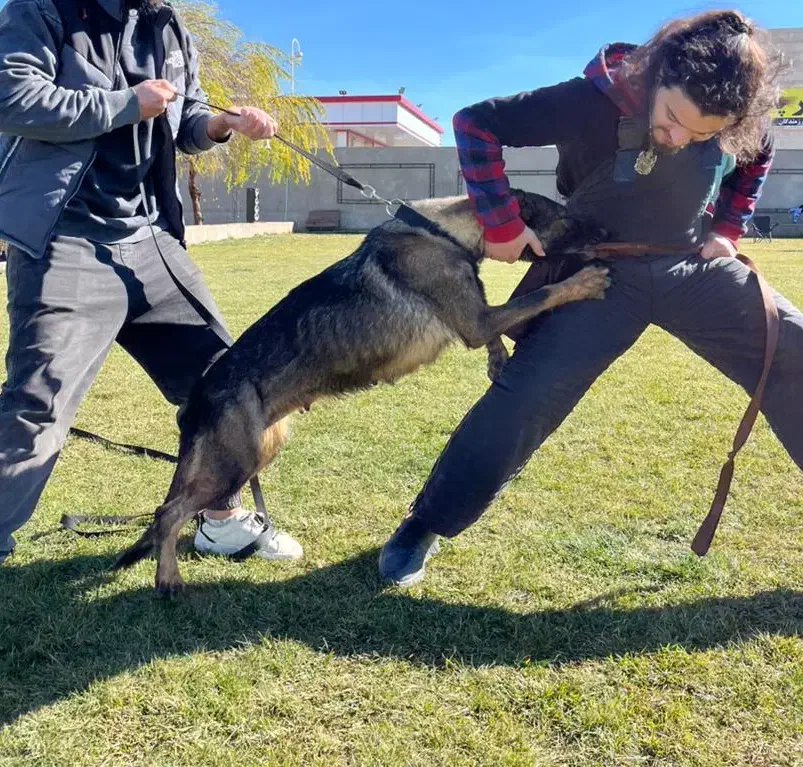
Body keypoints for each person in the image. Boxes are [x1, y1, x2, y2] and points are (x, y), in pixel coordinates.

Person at [379, 10, 803, 586]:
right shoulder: (590, 99)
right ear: (659, 75)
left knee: (794, 349)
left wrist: (729, 227)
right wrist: (500, 221)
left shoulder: (739, 123)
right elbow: (476, 123)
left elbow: (758, 154)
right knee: (522, 401)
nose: (679, 139)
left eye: (702, 134)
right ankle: (426, 523)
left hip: (690, 267)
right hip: (596, 274)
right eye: (673, 119)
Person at [0, 0, 302, 564]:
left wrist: (220, 125)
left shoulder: (168, 26)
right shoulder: (41, 10)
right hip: (66, 237)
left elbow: (185, 120)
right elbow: (12, 97)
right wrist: (125, 104)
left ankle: (219, 520)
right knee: (37, 405)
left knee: (232, 387)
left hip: (151, 239)